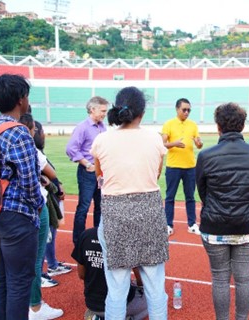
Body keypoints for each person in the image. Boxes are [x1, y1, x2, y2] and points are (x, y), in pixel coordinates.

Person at [91, 86, 169, 319]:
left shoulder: (102, 140)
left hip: (115, 216)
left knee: (116, 289)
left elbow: (99, 176)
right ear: (142, 113)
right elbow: (155, 174)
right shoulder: (155, 139)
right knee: (156, 288)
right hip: (150, 214)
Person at [0, 74, 44, 320]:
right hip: (15, 216)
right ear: (20, 99)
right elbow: (29, 181)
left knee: (0, 277)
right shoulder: (18, 132)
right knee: (19, 282)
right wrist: (37, 206)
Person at [196, 102, 249, 320]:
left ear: (218, 126)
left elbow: (202, 192)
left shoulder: (206, 155)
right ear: (242, 125)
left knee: (220, 278)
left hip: (215, 225)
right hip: (247, 224)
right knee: (244, 277)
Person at [19, 114, 64, 319]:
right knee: (35, 260)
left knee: (9, 264)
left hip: (9, 209)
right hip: (34, 206)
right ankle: (35, 307)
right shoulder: (30, 149)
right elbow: (51, 173)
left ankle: (18, 305)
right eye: (35, 130)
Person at [71, 227, 149, 320]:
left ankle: (97, 316)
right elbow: (140, 275)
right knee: (151, 299)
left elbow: (81, 275)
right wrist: (141, 286)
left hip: (93, 304)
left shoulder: (86, 235)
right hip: (119, 305)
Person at [66, 96, 109, 245]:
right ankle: (78, 241)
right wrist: (86, 164)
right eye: (103, 110)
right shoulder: (82, 127)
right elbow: (71, 148)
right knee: (83, 207)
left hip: (100, 173)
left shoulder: (103, 127)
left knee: (100, 207)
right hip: (88, 172)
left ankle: (98, 238)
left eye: (106, 111)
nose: (105, 114)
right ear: (93, 109)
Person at [162, 98, 203, 236]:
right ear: (177, 109)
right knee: (170, 197)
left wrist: (199, 143)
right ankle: (168, 225)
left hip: (190, 166)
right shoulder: (169, 124)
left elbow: (198, 144)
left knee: (190, 197)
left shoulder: (193, 125)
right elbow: (162, 144)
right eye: (184, 109)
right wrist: (174, 144)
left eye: (189, 110)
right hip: (173, 166)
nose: (187, 112)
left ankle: (192, 224)